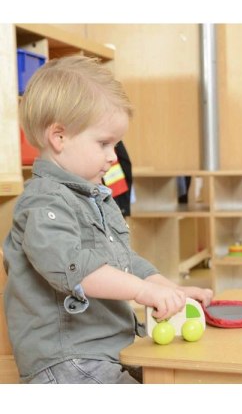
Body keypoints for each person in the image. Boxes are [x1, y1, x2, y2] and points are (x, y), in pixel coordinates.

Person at [2, 55, 213, 384]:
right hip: (68, 361)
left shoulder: (95, 196)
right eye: (104, 143)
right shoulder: (43, 203)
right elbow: (77, 269)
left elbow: (123, 261)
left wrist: (171, 290)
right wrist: (143, 292)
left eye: (116, 144)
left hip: (108, 351)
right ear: (59, 137)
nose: (114, 156)